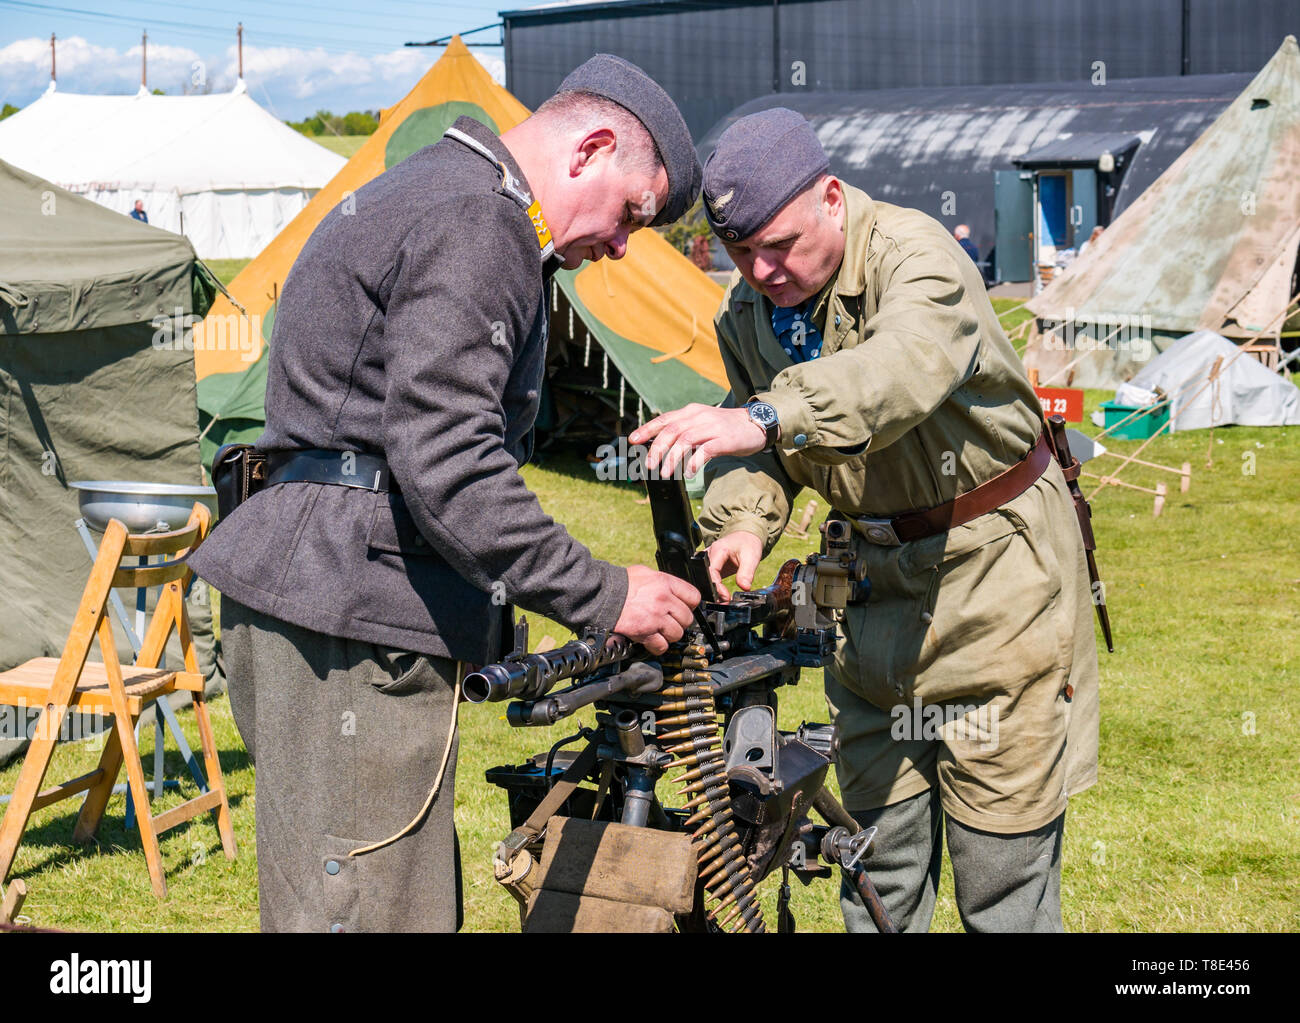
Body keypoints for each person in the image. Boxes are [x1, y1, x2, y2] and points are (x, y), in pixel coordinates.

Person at [187, 54, 704, 933]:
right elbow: (449, 459)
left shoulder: (434, 191)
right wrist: (607, 593)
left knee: (365, 904)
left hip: (325, 600)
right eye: (632, 214)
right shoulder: (479, 219)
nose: (621, 245)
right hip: (348, 625)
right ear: (593, 148)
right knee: (364, 915)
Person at [630, 108, 1099, 933]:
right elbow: (760, 442)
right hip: (870, 603)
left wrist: (768, 418)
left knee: (1001, 878)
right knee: (876, 862)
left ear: (834, 199)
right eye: (741, 253)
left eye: (778, 244)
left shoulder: (918, 258)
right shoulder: (749, 315)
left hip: (994, 590)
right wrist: (742, 519)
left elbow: (897, 369)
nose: (762, 270)